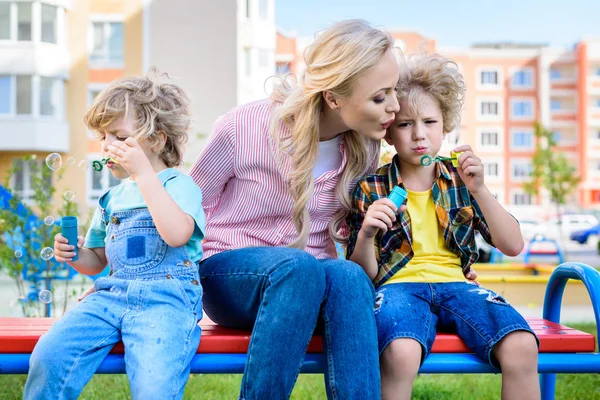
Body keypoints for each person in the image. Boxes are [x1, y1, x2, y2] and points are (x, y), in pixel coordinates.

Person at [189, 19, 400, 400]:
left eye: (394, 92)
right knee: (299, 267)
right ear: (334, 97)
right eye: (380, 97)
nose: (394, 108)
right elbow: (189, 207)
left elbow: (358, 246)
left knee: (349, 277)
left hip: (310, 281)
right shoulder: (245, 126)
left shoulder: (364, 150)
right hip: (230, 276)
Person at [346, 54, 540, 400]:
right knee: (400, 352)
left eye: (429, 122)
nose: (419, 134)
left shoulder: (462, 180)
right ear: (388, 132)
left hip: (458, 286)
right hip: (398, 289)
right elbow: (365, 276)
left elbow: (512, 245)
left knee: (522, 344)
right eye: (405, 124)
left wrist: (479, 189)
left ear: (445, 125)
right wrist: (367, 234)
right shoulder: (371, 188)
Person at [24, 70, 206, 400]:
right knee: (49, 355)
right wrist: (76, 254)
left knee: (154, 387)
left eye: (120, 136)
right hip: (110, 296)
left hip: (166, 301)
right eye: (104, 137)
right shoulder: (112, 198)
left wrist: (144, 175)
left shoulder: (180, 186)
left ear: (157, 139)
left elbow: (178, 234)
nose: (108, 146)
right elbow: (98, 261)